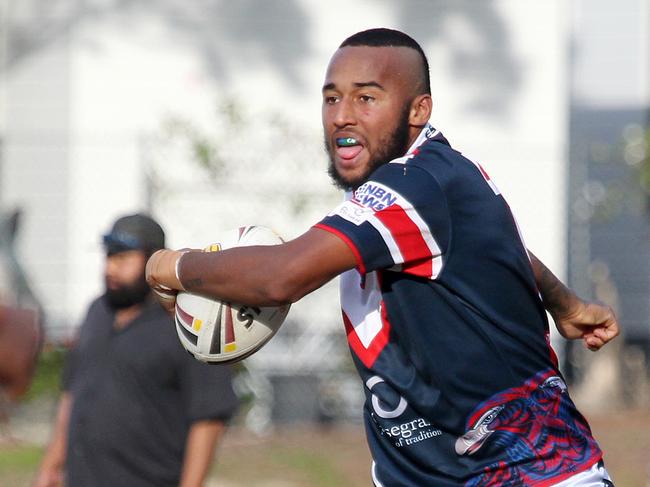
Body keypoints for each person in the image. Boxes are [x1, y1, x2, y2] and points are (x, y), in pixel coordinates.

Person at [146, 29, 620, 486]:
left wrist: (171, 265)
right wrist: (565, 304)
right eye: (332, 98)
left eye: (366, 98)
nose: (342, 116)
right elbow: (502, 247)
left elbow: (280, 277)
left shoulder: (414, 185)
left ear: (418, 110)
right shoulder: (436, 182)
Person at [35, 214, 239, 487]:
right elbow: (72, 393)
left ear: (152, 261)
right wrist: (51, 466)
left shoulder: (186, 323)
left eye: (123, 259)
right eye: (109, 257)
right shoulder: (97, 312)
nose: (111, 268)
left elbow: (207, 418)